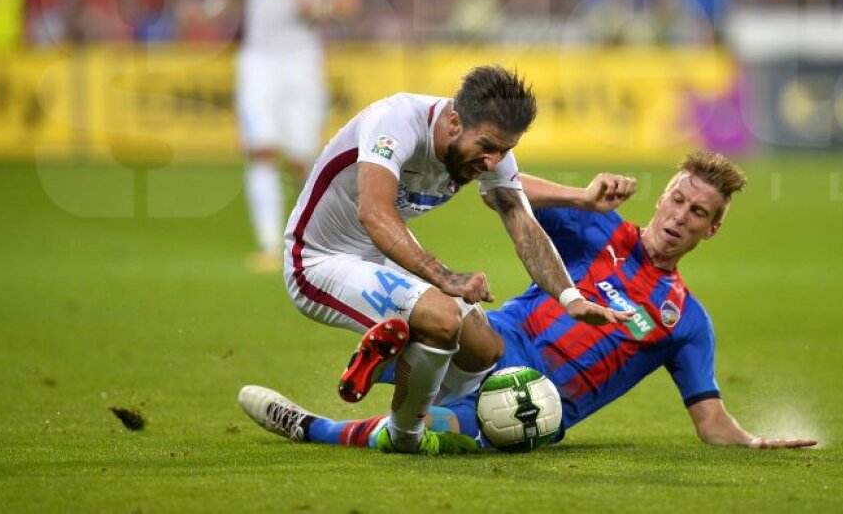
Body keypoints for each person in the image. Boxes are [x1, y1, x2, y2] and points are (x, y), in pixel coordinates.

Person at [238, 150, 817, 452]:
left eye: (697, 213)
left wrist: (754, 440)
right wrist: (582, 197)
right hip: (505, 340)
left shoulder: (686, 322)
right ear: (662, 197)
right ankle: (389, 359)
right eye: (677, 199)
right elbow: (500, 194)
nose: (678, 217)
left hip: (532, 405)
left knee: (424, 434)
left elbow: (710, 419)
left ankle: (323, 416)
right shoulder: (600, 230)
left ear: (709, 230)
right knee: (470, 327)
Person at [245, 65, 632, 455]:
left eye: (506, 151)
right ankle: (406, 434)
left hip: (381, 255)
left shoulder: (489, 152)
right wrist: (443, 277)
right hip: (318, 262)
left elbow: (522, 223)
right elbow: (374, 212)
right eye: (487, 146)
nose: (494, 162)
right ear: (453, 121)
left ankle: (402, 367)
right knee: (442, 317)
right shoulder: (394, 121)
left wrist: (571, 298)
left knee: (484, 348)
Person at [188, 0, 361, 271]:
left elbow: (349, 3)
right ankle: (269, 245)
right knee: (260, 148)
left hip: (301, 64)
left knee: (302, 158)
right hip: (257, 63)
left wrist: (318, 8)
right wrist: (204, 12)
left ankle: (321, 236)